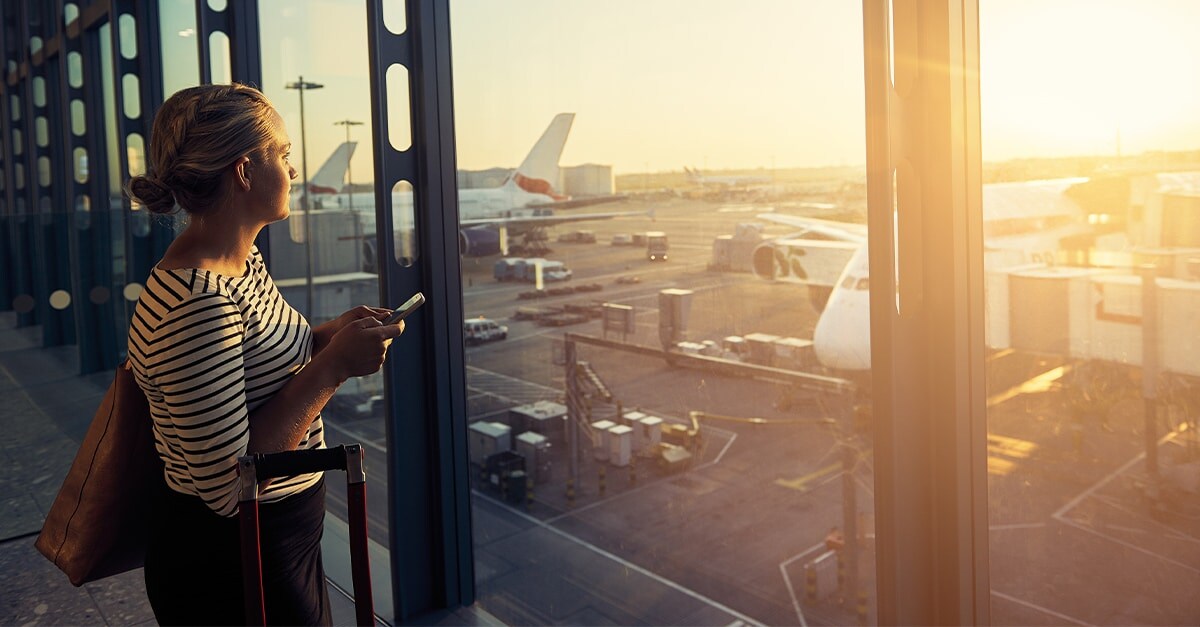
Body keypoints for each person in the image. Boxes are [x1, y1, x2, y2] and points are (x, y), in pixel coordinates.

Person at [125, 83, 403, 626]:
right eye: (283, 154)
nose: (294, 172)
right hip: (233, 566)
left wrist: (330, 335)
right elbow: (231, 485)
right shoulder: (198, 301)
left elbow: (250, 361)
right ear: (244, 172)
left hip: (277, 543)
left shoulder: (239, 261)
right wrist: (334, 366)